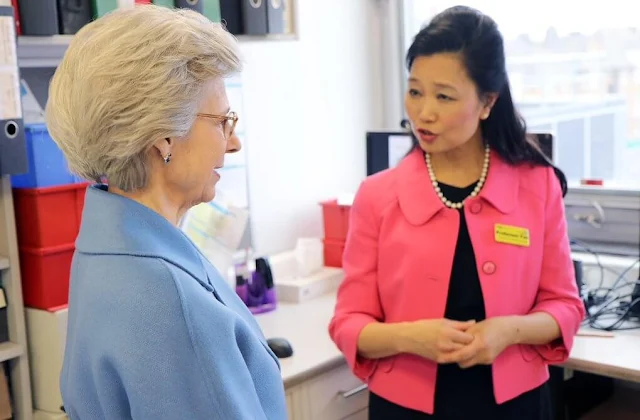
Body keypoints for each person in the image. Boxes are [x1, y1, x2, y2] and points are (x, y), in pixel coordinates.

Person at [329, 6, 585, 419]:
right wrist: (411, 337)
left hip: (514, 405)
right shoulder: (376, 196)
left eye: (444, 96)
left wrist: (509, 331)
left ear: (487, 102)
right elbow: (348, 323)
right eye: (415, 91)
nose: (423, 112)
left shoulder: (538, 186)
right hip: (406, 406)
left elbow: (565, 306)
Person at [45, 6, 287, 420]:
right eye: (222, 121)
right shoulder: (176, 304)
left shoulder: (105, 249)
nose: (233, 144)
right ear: (163, 137)